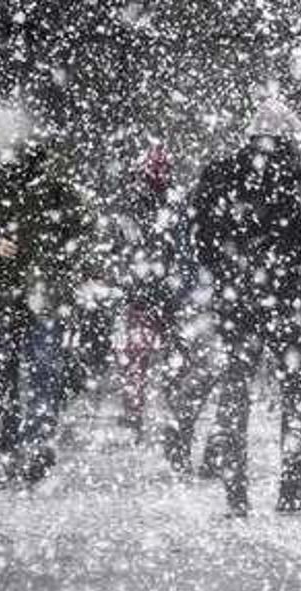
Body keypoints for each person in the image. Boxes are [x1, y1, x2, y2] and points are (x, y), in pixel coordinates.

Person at [187, 97, 301, 516]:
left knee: (235, 389)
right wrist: (295, 278)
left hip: (237, 300)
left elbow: (202, 235)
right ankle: (290, 486)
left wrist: (230, 275)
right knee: (295, 393)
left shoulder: (221, 172)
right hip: (288, 300)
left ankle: (236, 493)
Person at [0, 107, 93, 483]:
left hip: (35, 289)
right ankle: (17, 442)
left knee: (37, 367)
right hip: (5, 290)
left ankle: (33, 442)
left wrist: (57, 256)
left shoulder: (47, 172)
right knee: (7, 369)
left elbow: (83, 221)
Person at [112, 143, 178, 442]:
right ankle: (160, 411)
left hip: (147, 289)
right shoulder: (169, 203)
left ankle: (137, 411)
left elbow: (123, 245)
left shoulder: (134, 204)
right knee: (152, 355)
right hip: (159, 290)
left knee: (138, 356)